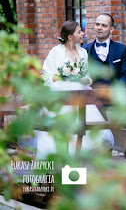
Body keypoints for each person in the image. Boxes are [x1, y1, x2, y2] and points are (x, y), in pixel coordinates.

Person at [30, 21, 114, 159]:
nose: (83, 34)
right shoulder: (56, 51)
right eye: (79, 32)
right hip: (59, 93)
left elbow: (87, 74)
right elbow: (46, 74)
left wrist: (85, 79)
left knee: (83, 122)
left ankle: (78, 153)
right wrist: (64, 76)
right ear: (70, 36)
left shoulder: (83, 52)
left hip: (80, 92)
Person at [82, 13, 126, 160]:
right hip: (94, 95)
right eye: (98, 24)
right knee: (93, 108)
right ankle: (103, 147)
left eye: (104, 25)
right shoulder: (84, 50)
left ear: (111, 30)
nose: (99, 28)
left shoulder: (122, 50)